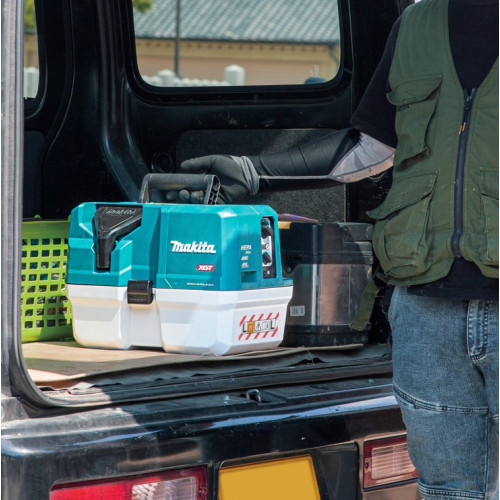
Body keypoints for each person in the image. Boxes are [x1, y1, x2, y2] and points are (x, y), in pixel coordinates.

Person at [173, 1, 499, 498]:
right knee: (448, 491)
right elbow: (370, 148)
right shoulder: (417, 25)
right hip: (426, 313)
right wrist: (254, 171)